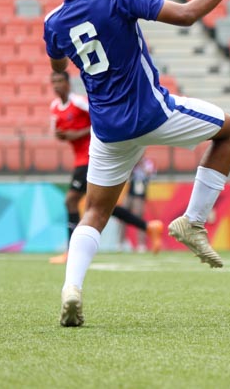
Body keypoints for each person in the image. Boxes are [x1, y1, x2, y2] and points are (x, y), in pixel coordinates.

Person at [43, 0, 230, 326]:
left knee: (95, 213)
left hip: (107, 131)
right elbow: (188, 15)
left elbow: (57, 64)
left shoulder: (53, 22)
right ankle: (193, 222)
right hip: (152, 114)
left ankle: (71, 288)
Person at [48, 70, 164, 265]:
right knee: (102, 206)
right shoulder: (55, 107)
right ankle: (149, 227)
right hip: (80, 160)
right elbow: (57, 132)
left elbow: (100, 118)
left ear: (68, 84)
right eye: (54, 82)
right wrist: (62, 135)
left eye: (60, 81)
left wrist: (77, 135)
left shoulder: (78, 102)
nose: (57, 85)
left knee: (71, 201)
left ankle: (71, 252)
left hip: (91, 158)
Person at [119, 155, 158, 253]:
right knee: (123, 215)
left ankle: (141, 244)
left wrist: (141, 166)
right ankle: (121, 242)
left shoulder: (147, 163)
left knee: (139, 217)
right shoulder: (132, 160)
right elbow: (126, 174)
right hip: (130, 191)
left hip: (140, 192)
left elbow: (151, 175)